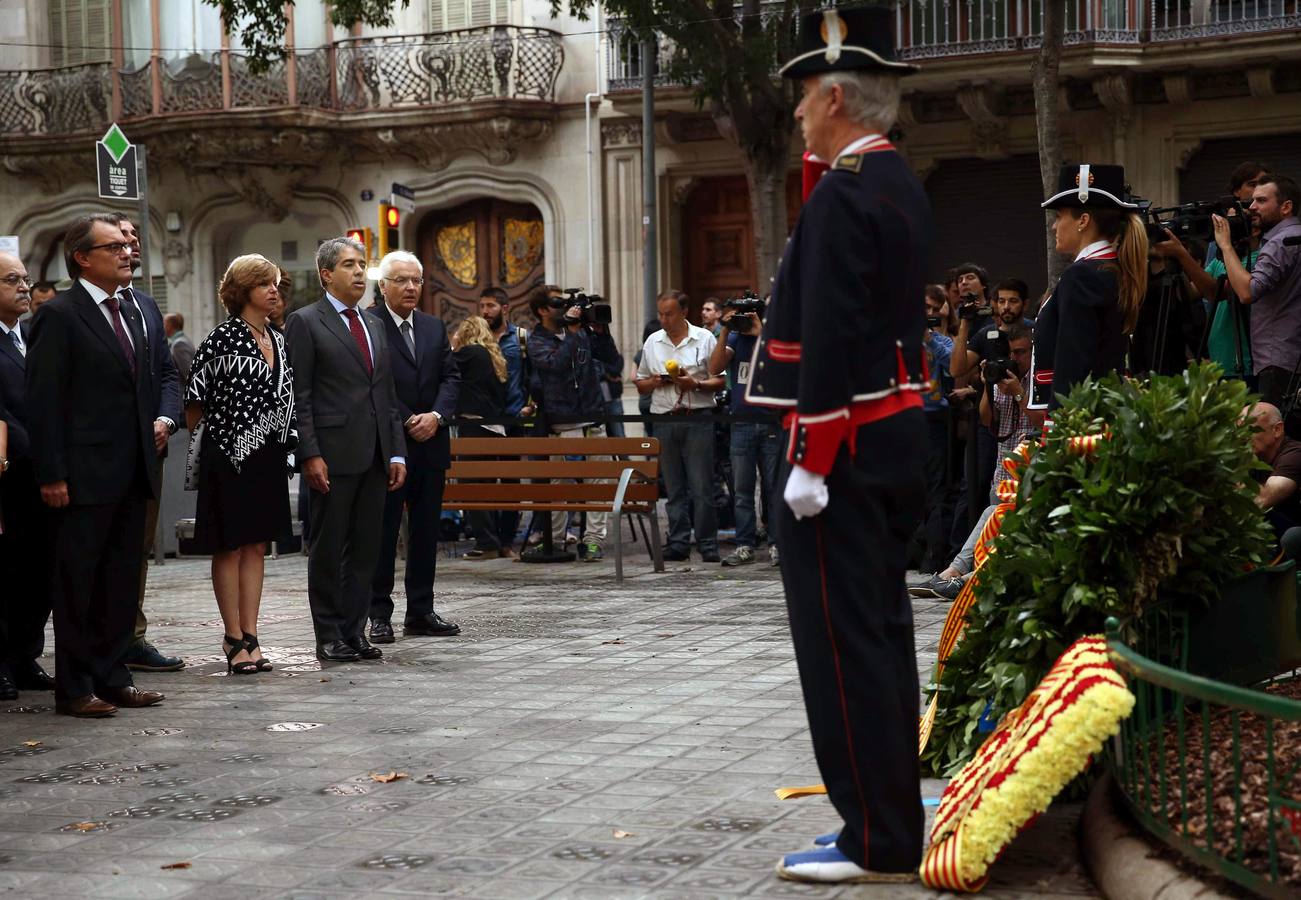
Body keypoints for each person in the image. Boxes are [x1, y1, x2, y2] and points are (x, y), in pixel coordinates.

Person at [746, 7, 932, 883]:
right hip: (890, 438)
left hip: (846, 449)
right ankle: (885, 815)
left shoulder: (845, 196)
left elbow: (832, 332)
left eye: (800, 100)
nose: (792, 117)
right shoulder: (891, 180)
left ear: (830, 96)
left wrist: (811, 461)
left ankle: (877, 838)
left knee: (843, 644)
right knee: (879, 635)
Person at [26, 214, 165, 717]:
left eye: (126, 248)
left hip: (131, 472)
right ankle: (75, 686)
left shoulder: (130, 312)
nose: (127, 253)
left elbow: (144, 387)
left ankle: (113, 676)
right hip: (82, 478)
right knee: (78, 585)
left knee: (120, 582)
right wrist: (52, 473)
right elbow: (43, 402)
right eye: (113, 248)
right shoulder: (59, 316)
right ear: (83, 258)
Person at [285, 236, 407, 663]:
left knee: (367, 548)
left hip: (375, 454)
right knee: (329, 547)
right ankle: (329, 634)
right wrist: (310, 453)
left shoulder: (373, 322)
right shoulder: (305, 322)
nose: (360, 272)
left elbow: (387, 395)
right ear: (326, 274)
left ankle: (355, 631)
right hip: (331, 456)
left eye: (362, 265)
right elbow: (299, 395)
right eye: (350, 265)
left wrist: (395, 452)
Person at [185, 255, 295, 674]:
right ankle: (232, 636)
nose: (274, 290)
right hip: (227, 457)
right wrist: (223, 445)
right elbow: (194, 403)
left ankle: (252, 634)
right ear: (242, 289)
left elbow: (288, 400)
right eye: (264, 283)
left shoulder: (279, 339)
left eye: (276, 283)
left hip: (268, 455)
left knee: (256, 545)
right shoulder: (221, 339)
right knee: (229, 545)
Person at [367, 251, 461, 644]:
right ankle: (379, 614)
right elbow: (375, 382)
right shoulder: (369, 325)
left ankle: (421, 611)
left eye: (416, 281)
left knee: (425, 534)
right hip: (391, 445)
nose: (410, 287)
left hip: (431, 443)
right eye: (401, 280)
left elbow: (451, 378)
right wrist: (409, 419)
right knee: (384, 533)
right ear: (383, 285)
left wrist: (436, 417)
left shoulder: (434, 327)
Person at [116, 216, 186, 674]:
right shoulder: (69, 311)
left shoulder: (143, 304)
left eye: (135, 239)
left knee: (138, 548)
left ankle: (132, 637)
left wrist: (166, 418)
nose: (132, 246)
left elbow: (166, 373)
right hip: (100, 455)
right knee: (102, 551)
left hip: (149, 451)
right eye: (122, 240)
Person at [1029, 164, 1149, 414]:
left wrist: (1059, 423)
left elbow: (1074, 359)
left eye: (1060, 216)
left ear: (1083, 220)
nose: (1054, 227)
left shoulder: (1082, 275)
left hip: (1082, 418)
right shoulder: (1108, 268)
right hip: (1101, 410)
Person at [525, 285, 622, 562]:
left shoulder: (583, 332)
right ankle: (554, 541)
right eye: (558, 305)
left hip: (592, 418)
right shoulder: (537, 340)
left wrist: (600, 332)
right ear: (543, 311)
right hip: (561, 424)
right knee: (559, 485)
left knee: (598, 483)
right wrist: (572, 333)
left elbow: (613, 363)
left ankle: (593, 541)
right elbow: (555, 365)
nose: (566, 310)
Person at [0, 252, 55, 698]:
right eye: (11, 280)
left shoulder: (34, 335)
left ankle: (24, 655)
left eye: (25, 278)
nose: (23, 287)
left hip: (44, 476)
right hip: (10, 476)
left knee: (40, 572)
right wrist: (39, 452)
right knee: (7, 572)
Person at [635, 290, 724, 563]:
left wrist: (694, 384)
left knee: (701, 486)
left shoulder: (704, 338)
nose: (664, 319)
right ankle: (678, 542)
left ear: (684, 312)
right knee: (673, 487)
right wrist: (654, 381)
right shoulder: (653, 341)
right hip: (664, 417)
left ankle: (708, 543)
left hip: (697, 416)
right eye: (660, 314)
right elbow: (640, 384)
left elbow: (719, 380)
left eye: (669, 313)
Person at [1213, 174, 1301, 410]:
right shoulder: (1293, 236)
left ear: (1286, 207)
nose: (1252, 208)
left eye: (1261, 201)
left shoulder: (1280, 242)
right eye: (1252, 201)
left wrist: (1226, 245)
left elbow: (1247, 292)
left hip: (1278, 360)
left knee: (1276, 439)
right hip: (1289, 356)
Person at [707, 299, 780, 567]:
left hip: (771, 422)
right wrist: (725, 330)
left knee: (774, 488)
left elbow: (782, 366)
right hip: (741, 423)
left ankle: (777, 543)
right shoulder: (735, 338)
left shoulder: (774, 336)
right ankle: (745, 544)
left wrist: (761, 334)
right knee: (742, 489)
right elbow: (714, 368)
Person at [478, 286, 533, 553]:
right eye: (482, 306)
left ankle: (508, 539)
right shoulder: (476, 338)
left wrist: (530, 406)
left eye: (490, 306)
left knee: (511, 482)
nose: (485, 312)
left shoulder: (521, 338)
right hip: (484, 420)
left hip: (513, 418)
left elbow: (533, 377)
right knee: (484, 480)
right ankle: (488, 540)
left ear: (505, 308)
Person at [452, 316, 509, 559]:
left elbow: (443, 365)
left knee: (470, 486)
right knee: (485, 487)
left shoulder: (471, 353)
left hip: (474, 425)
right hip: (494, 427)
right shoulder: (493, 356)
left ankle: (486, 543)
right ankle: (494, 540)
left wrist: (454, 344)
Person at [1245, 402, 1301, 544]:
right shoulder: (1253, 456)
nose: (1243, 437)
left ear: (1277, 429)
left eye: (1250, 430)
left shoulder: (1295, 454)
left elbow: (1263, 500)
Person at [164, 312, 196, 389]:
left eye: (164, 323)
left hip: (181, 395)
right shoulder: (181, 341)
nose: (162, 327)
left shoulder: (179, 344)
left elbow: (188, 373)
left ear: (170, 326)